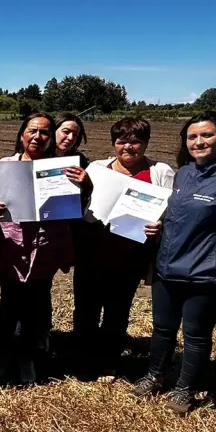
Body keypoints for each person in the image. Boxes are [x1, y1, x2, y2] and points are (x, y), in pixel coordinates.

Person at [131, 111, 216, 414]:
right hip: (168, 268)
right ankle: (155, 375)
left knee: (195, 334)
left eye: (207, 135)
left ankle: (184, 389)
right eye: (192, 136)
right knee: (162, 329)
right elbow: (177, 217)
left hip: (207, 276)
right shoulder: (184, 173)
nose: (198, 142)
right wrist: (161, 229)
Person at [0, 112, 83, 384]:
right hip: (11, 250)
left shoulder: (62, 170)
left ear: (51, 138)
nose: (38, 137)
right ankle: (2, 353)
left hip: (45, 251)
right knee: (8, 306)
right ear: (22, 133)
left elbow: (74, 212)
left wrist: (83, 186)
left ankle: (27, 358)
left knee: (35, 309)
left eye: (45, 132)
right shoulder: (6, 166)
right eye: (32, 130)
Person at [72, 118, 174, 379]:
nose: (129, 147)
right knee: (86, 310)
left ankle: (109, 360)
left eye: (136, 141)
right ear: (113, 144)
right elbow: (82, 205)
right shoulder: (96, 168)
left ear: (146, 143)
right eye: (122, 141)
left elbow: (171, 211)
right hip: (93, 253)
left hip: (130, 257)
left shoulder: (160, 172)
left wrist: (159, 226)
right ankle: (83, 360)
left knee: (117, 312)